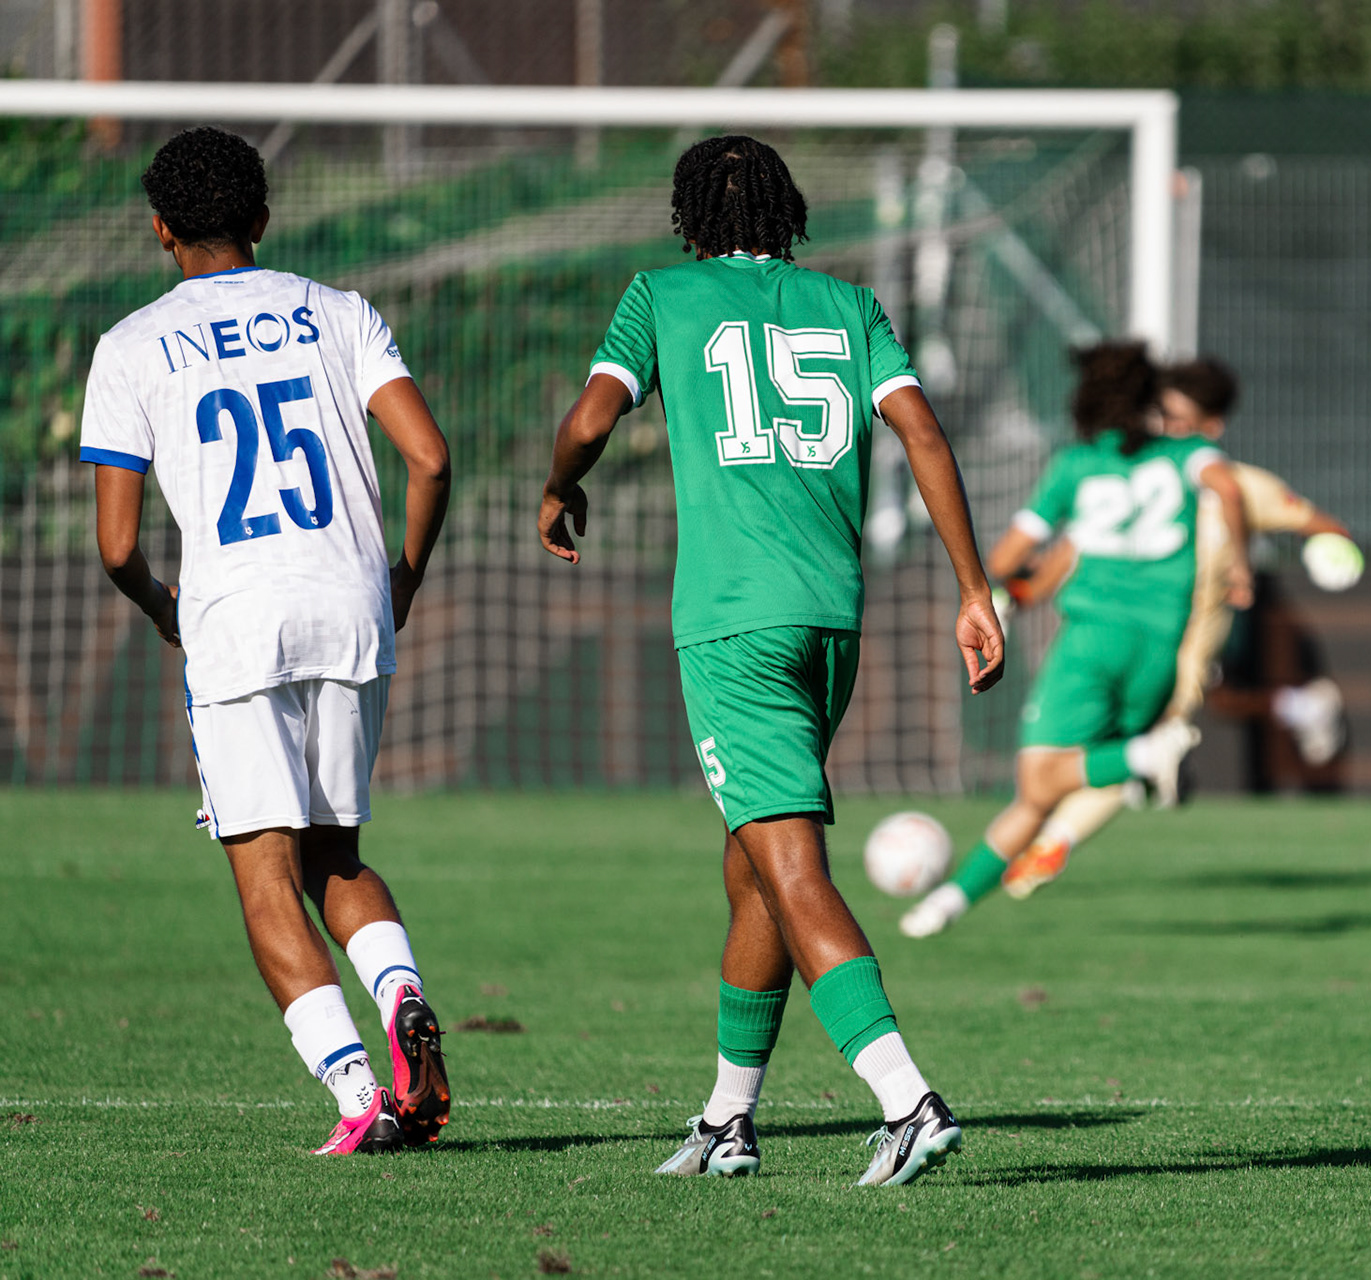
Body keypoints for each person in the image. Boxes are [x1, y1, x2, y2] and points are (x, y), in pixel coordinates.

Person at [538, 135, 1003, 1186]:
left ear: (689, 218)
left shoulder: (660, 296)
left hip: (733, 623)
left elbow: (591, 417)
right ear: (787, 213)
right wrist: (974, 589)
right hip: (830, 617)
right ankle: (727, 1118)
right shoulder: (852, 305)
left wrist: (560, 484)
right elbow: (925, 435)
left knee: (789, 866)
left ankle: (907, 1099)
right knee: (752, 864)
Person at [80, 127, 454, 1154]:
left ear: (160, 229)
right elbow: (429, 457)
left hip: (236, 621)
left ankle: (357, 1090)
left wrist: (162, 608)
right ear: (262, 218)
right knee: (338, 852)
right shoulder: (341, 312)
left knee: (265, 874)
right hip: (350, 603)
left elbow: (116, 546)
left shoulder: (130, 346)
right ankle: (404, 996)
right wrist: (405, 577)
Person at [900, 342, 1250, 937]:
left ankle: (1147, 757)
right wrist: (1238, 561)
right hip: (1159, 650)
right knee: (1045, 795)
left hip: (1092, 643)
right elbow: (1229, 487)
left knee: (1040, 779)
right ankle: (949, 903)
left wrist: (1012, 586)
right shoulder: (1186, 454)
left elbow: (1007, 558)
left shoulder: (1076, 467)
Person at [997, 356, 1354, 898]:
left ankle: (1053, 844)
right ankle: (1298, 706)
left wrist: (1331, 551)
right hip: (1135, 640)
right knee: (1163, 730)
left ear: (1212, 426)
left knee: (1134, 746)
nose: (1167, 427)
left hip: (1183, 649)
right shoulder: (1138, 476)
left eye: (1181, 420)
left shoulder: (1242, 485)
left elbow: (1322, 525)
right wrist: (1017, 597)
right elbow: (1070, 552)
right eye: (1163, 415)